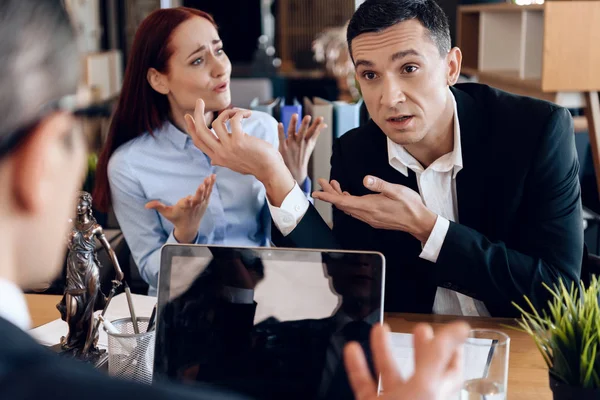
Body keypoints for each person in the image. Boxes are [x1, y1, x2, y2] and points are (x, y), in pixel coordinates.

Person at [184, 0, 584, 317]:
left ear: (451, 67)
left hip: (523, 345)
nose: (388, 98)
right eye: (370, 75)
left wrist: (427, 228)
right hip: (410, 346)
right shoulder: (358, 152)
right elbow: (348, 287)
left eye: (409, 68)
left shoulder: (536, 132)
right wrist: (274, 175)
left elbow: (559, 293)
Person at [92, 7, 325, 296]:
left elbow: (297, 250)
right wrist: (184, 235)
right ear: (158, 80)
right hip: (184, 313)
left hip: (263, 304)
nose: (220, 68)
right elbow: (151, 271)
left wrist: (292, 179)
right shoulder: (129, 164)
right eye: (198, 60)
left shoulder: (261, 131)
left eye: (219, 50)